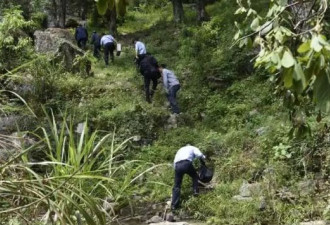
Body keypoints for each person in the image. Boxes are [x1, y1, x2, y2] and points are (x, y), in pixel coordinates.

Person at [171, 145, 206, 210]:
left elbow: (174, 161)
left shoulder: (180, 149)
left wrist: (176, 168)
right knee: (195, 176)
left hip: (177, 165)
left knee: (177, 186)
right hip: (186, 163)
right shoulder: (192, 148)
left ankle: (174, 206)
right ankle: (195, 191)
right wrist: (204, 157)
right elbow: (199, 154)